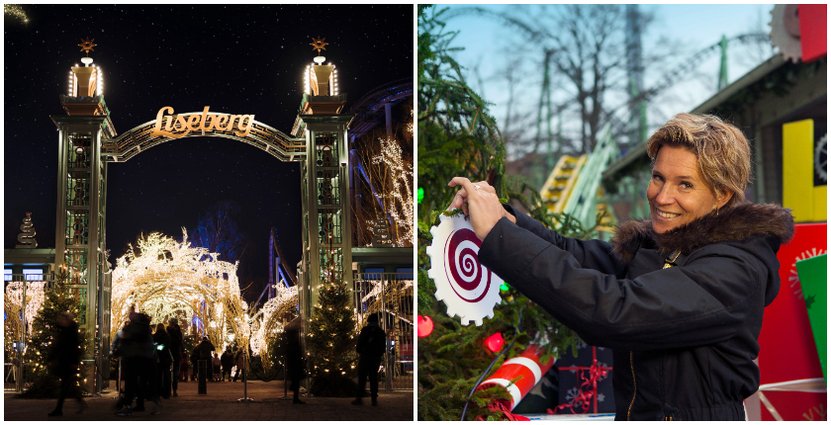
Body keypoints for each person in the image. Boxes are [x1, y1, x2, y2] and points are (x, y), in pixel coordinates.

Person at [448, 113, 794, 420]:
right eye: (658, 177)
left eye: (684, 184)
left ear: (721, 195)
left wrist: (498, 236)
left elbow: (616, 312)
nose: (661, 196)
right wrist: (509, 222)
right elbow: (573, 254)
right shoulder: (663, 248)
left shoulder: (734, 269)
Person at [47, 312, 86, 416]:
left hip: (68, 362)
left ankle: (59, 409)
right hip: (65, 362)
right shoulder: (64, 330)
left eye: (61, 319)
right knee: (68, 385)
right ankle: (79, 402)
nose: (59, 320)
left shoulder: (70, 332)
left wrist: (74, 362)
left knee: (65, 386)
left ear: (66, 320)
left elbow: (73, 348)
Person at [352, 313, 386, 406]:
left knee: (362, 378)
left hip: (365, 357)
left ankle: (359, 398)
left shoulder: (365, 330)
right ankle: (374, 399)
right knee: (373, 378)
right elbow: (383, 347)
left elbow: (359, 344)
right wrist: (378, 354)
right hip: (375, 358)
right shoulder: (380, 332)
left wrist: (361, 350)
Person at [284, 317, 305, 404]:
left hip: (294, 364)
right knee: (296, 381)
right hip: (295, 364)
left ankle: (295, 398)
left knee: (295, 381)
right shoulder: (294, 343)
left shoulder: (291, 342)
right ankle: (295, 398)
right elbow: (296, 353)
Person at [153, 323, 173, 399]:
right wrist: (162, 348)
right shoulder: (167, 336)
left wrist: (157, 348)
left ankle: (158, 392)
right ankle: (166, 393)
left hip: (158, 358)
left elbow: (154, 345)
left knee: (158, 375)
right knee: (166, 376)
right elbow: (167, 345)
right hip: (166, 357)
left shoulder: (155, 336)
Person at [166, 318, 184, 396]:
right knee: (175, 373)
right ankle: (174, 390)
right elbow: (180, 344)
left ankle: (169, 390)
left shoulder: (168, 332)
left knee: (168, 373)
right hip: (176, 354)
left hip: (169, 354)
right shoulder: (179, 333)